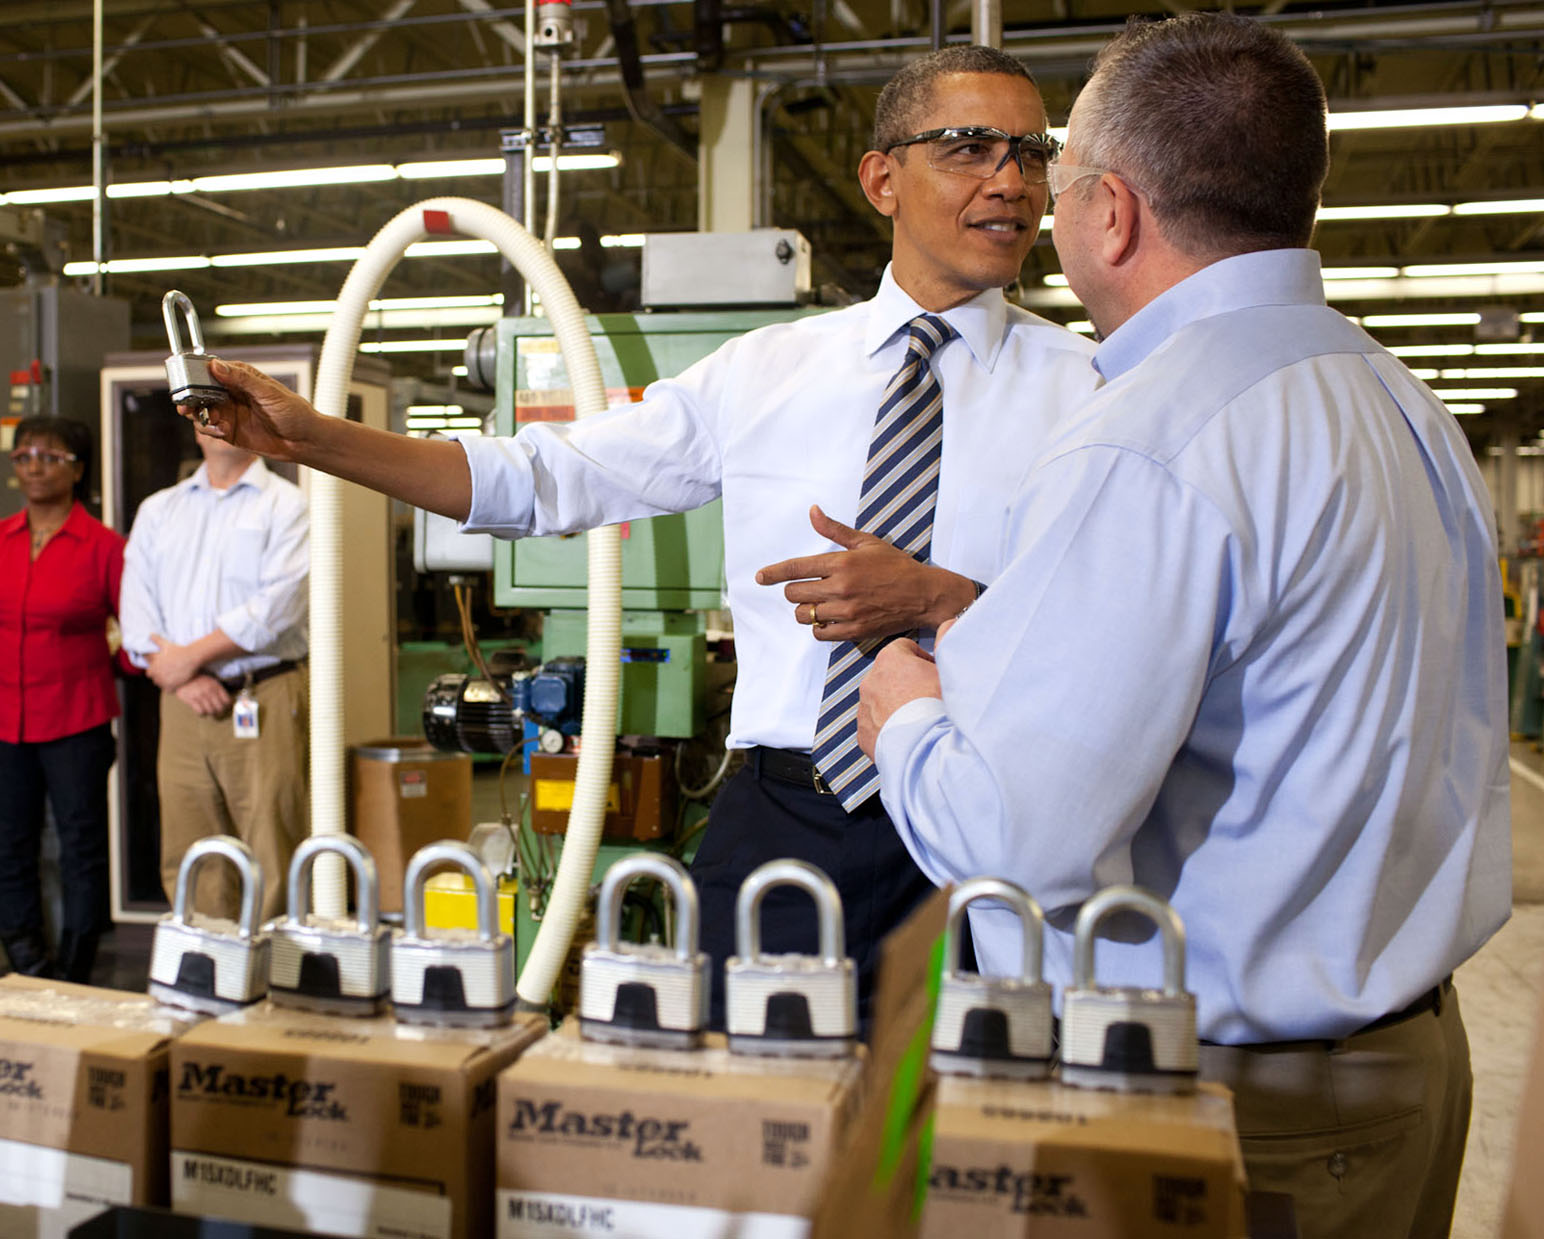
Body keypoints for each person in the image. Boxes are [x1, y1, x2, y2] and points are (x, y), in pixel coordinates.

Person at [188, 46, 1099, 1022]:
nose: (1011, 181)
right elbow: (545, 479)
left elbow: (1117, 633)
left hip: (988, 825)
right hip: (788, 822)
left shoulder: (1092, 392)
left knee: (968, 1143)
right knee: (749, 1136)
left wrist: (945, 601)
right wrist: (317, 439)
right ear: (882, 177)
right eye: (970, 148)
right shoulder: (765, 373)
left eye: (1032, 153)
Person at [857, 15, 1511, 1236]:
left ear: (1110, 211)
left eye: (1055, 183)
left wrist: (907, 720)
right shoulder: (1396, 398)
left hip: (1244, 1106)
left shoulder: (1152, 438)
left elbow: (1019, 840)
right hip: (1409, 1067)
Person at [0, 416, 127, 985]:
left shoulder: (104, 548)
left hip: (76, 722)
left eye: (50, 455)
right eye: (24, 456)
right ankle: (24, 957)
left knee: (81, 846)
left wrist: (122, 652)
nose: (35, 465)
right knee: (10, 844)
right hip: (1, 724)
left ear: (78, 470)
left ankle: (77, 964)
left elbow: (134, 632)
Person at [118, 427, 310, 923]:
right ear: (194, 429)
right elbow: (135, 611)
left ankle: (272, 983)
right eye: (207, 411)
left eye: (231, 411)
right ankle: (207, 972)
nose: (218, 422)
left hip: (263, 694)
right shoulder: (160, 510)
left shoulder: (287, 506)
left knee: (272, 841)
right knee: (190, 846)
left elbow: (280, 605)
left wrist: (191, 656)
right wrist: (182, 677)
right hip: (181, 704)